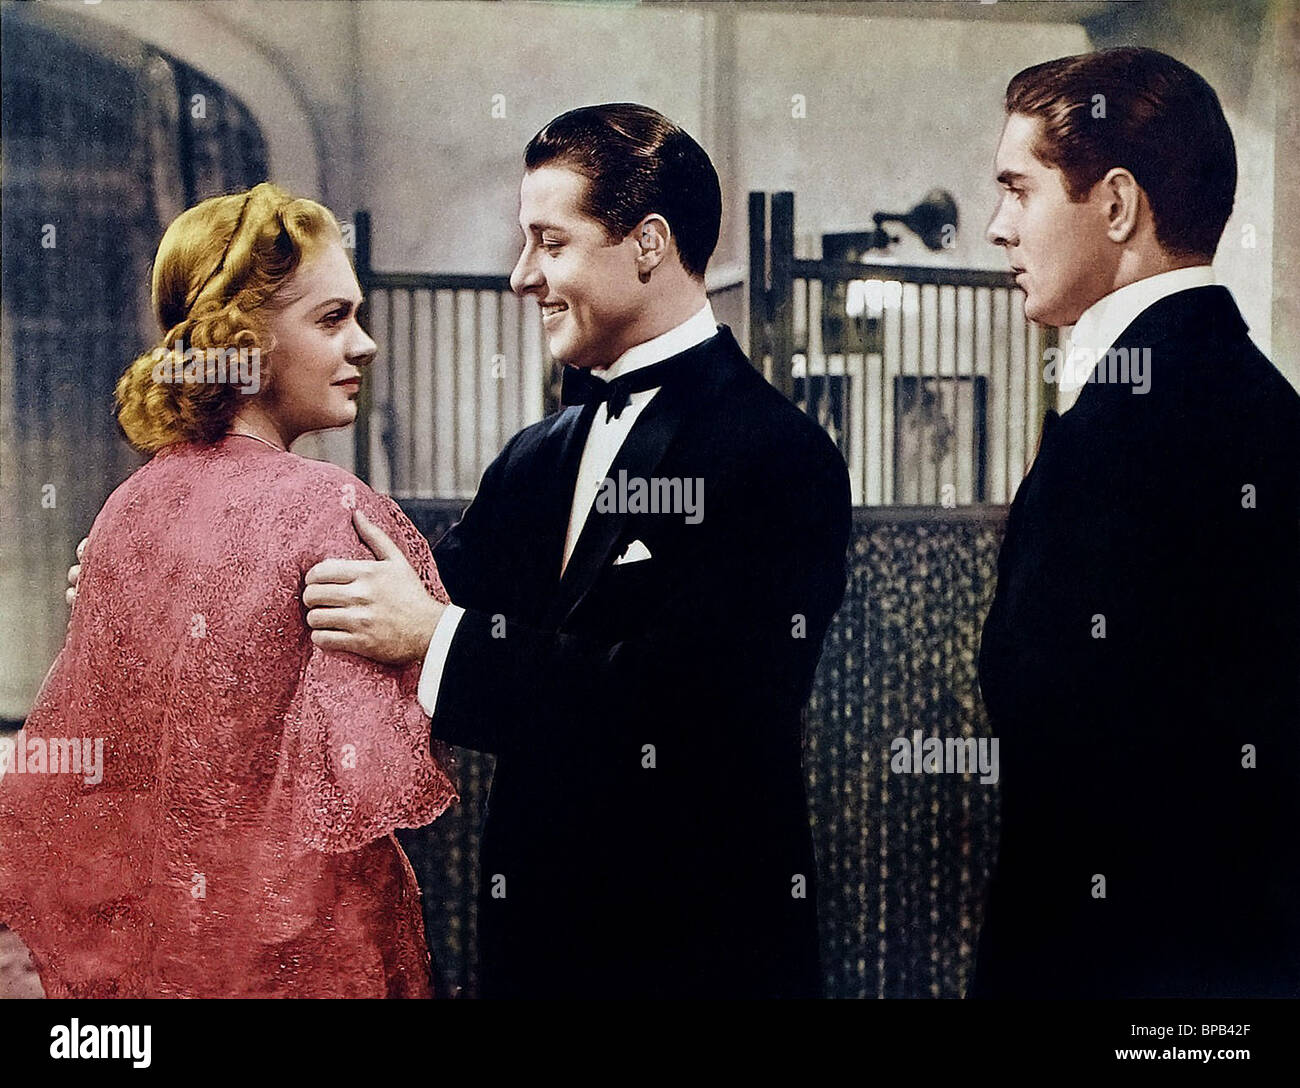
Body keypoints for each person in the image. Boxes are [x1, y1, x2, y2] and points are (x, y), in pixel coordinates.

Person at [301, 104, 852, 998]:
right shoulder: (536, 456)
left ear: (648, 244)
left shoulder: (779, 458)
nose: (524, 279)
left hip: (699, 964)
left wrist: (439, 639)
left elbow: (689, 712)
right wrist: (181, 558)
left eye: (548, 244)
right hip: (535, 956)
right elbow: (393, 602)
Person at [9, 182, 458, 998]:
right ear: (245, 343)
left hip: (166, 956)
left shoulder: (125, 510)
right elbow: (377, 781)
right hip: (307, 955)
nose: (364, 345)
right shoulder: (336, 510)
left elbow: (86, 782)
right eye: (331, 320)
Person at [974, 48, 1300, 998]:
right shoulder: (1267, 405)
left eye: (1018, 190)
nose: (998, 227)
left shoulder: (1121, 425)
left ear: (1115, 207)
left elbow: (1057, 722)